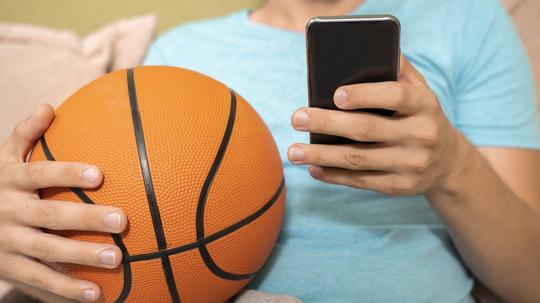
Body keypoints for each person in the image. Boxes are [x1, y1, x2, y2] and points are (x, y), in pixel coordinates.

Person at [1, 0, 540, 302]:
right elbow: (124, 248)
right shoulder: (177, 56)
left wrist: (452, 167)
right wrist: (36, 241)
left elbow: (530, 279)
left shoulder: (468, 19)